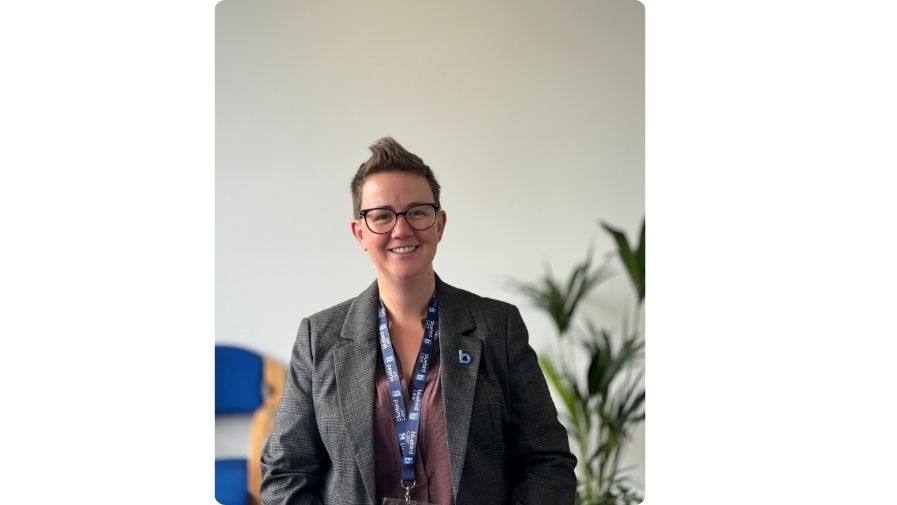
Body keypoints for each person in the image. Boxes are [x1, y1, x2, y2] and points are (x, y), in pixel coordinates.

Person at [260, 137, 576, 505]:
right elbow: (285, 474)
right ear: (360, 233)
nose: (401, 229)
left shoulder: (497, 327)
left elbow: (547, 462)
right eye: (382, 215)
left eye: (417, 212)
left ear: (439, 224)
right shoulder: (319, 339)